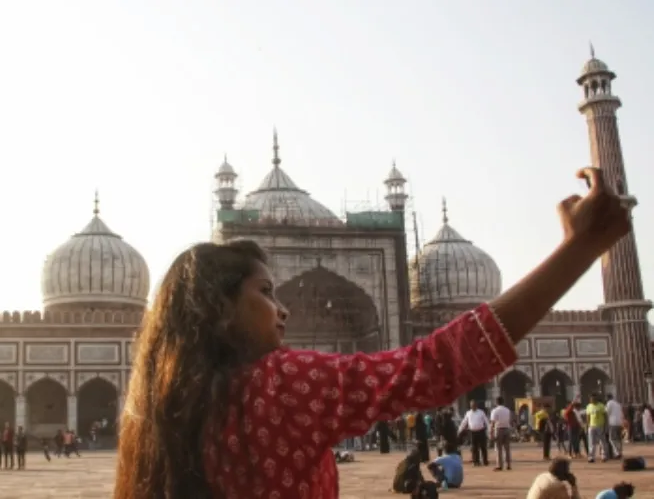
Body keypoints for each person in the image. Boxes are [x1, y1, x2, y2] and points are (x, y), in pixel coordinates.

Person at [114, 167, 632, 499]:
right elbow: (430, 367)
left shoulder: (157, 412)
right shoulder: (279, 385)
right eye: (267, 292)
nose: (284, 310)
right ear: (220, 308)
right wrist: (579, 249)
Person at [459, 400, 489, 466]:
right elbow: (464, 422)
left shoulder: (481, 412)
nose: (473, 406)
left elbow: (486, 421)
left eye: (474, 405)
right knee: (474, 447)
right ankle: (476, 461)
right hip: (472, 432)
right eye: (471, 405)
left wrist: (489, 431)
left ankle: (485, 461)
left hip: (481, 431)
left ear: (476, 405)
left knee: (483, 447)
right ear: (470, 406)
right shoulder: (468, 413)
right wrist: (459, 430)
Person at [490, 396, 512, 471]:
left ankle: (499, 465)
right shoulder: (507, 410)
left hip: (499, 429)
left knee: (498, 448)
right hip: (507, 429)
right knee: (507, 448)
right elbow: (509, 420)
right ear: (503, 402)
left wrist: (491, 432)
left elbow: (493, 422)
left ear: (496, 402)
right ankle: (508, 464)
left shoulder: (495, 410)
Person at [587, 394, 608, 462]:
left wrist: (605, 426)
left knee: (602, 441)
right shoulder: (589, 406)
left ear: (596, 399)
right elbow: (588, 417)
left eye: (593, 399)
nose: (592, 400)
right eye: (591, 399)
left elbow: (605, 416)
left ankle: (603, 455)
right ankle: (591, 457)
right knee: (591, 442)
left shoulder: (601, 406)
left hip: (600, 425)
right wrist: (588, 425)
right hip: (592, 426)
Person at [605, 394, 623, 458]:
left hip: (613, 423)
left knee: (612, 439)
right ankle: (620, 451)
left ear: (608, 398)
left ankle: (617, 452)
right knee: (619, 439)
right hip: (619, 423)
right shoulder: (618, 404)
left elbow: (606, 413)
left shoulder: (609, 403)